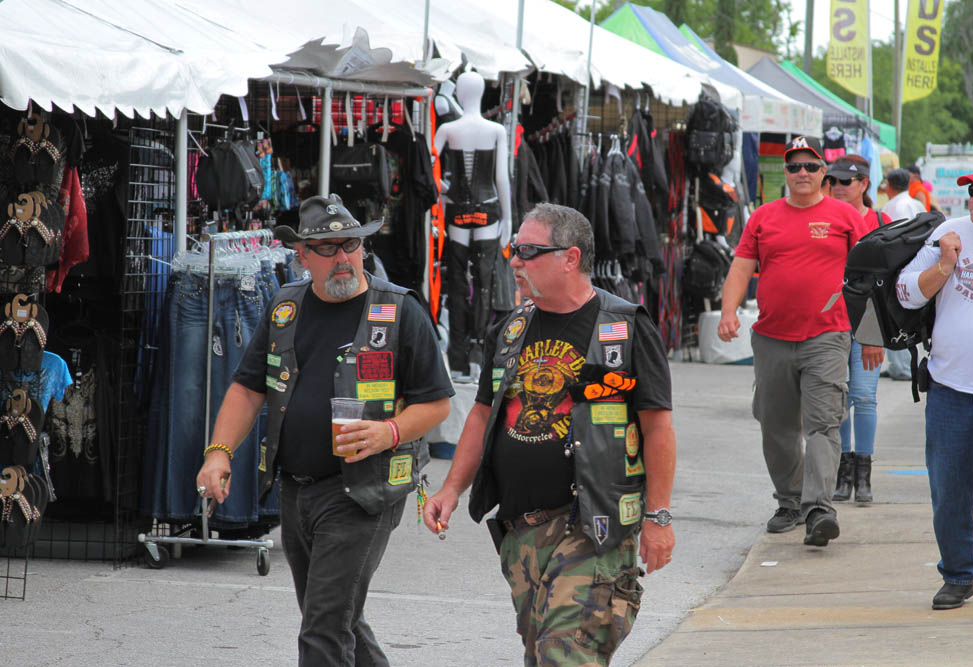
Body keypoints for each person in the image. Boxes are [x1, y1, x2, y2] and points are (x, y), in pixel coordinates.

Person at [196, 194, 453, 665]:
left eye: (351, 245)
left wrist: (388, 433)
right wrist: (219, 451)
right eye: (328, 248)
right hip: (295, 490)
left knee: (323, 630)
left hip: (364, 491)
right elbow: (248, 388)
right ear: (303, 256)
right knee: (338, 619)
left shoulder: (399, 310)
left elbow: (436, 403)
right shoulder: (284, 306)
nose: (342, 258)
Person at [422, 203, 676, 666]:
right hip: (521, 530)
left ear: (571, 258)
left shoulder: (624, 326)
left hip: (592, 525)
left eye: (528, 251)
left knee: (565, 654)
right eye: (513, 249)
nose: (514, 261)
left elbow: (657, 426)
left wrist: (658, 518)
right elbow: (482, 415)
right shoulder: (510, 328)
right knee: (540, 655)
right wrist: (452, 489)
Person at [717, 136, 867, 547]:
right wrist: (728, 312)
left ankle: (819, 508)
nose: (803, 173)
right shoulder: (763, 217)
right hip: (771, 338)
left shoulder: (845, 217)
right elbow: (741, 267)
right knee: (777, 427)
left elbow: (869, 280)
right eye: (795, 167)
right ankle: (790, 500)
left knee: (822, 424)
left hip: (827, 336)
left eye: (811, 167)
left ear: (824, 172)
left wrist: (871, 336)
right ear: (785, 173)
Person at [897, 156, 973, 616]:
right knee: (949, 492)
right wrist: (944, 263)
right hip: (951, 385)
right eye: (971, 190)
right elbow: (905, 292)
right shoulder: (948, 233)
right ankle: (958, 575)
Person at [435, 71, 513, 384]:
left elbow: (427, 165)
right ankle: (478, 357)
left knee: (456, 284)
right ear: (481, 94)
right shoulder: (495, 130)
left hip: (456, 210)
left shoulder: (447, 128)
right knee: (484, 284)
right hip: (488, 210)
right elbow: (501, 177)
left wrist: (444, 190)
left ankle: (458, 363)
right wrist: (508, 218)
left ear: (461, 93)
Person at [826, 155, 888, 504]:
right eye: (832, 181)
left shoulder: (880, 221)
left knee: (864, 397)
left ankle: (863, 474)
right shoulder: (824, 217)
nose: (837, 188)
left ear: (864, 184)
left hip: (867, 324)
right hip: (830, 324)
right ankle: (842, 472)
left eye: (844, 182)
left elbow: (887, 284)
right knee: (839, 400)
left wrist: (875, 332)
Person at [882, 168, 927, 381]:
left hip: (897, 268)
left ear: (889, 186)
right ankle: (902, 365)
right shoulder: (915, 204)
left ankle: (900, 367)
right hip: (915, 267)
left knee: (892, 318)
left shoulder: (892, 207)